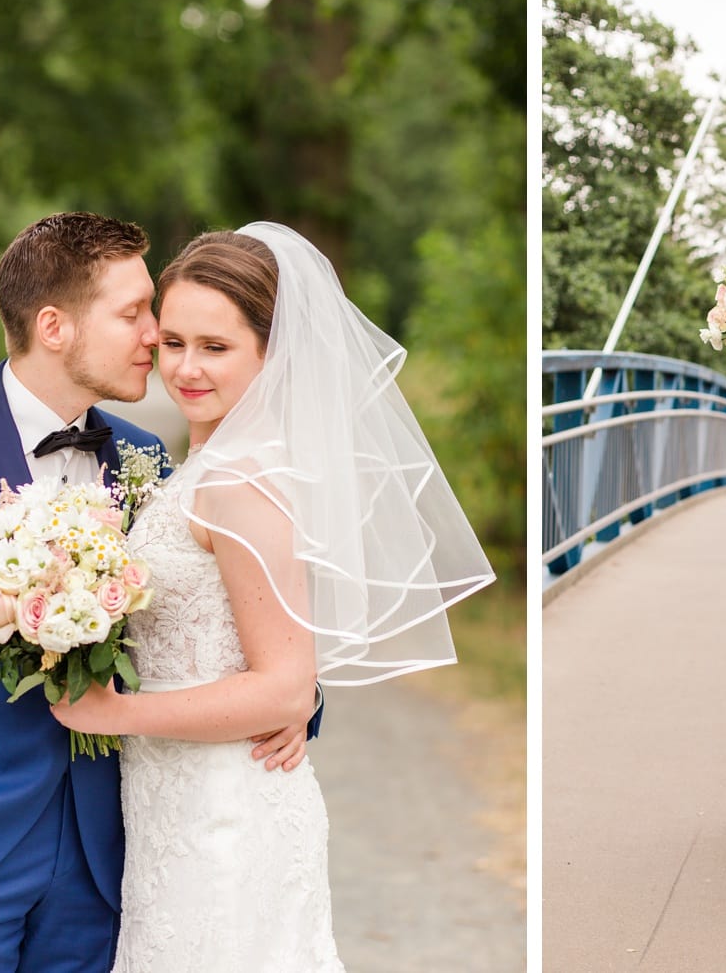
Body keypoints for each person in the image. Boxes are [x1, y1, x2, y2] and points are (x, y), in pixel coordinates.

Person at [0, 212, 314, 973]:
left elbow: (211, 599)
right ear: (54, 326)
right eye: (134, 313)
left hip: (107, 858)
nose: (155, 333)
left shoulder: (143, 461)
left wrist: (296, 701)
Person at [52, 223, 495, 970]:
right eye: (174, 342)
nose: (186, 369)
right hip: (177, 805)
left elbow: (283, 688)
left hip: (223, 815)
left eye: (217, 348)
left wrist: (114, 713)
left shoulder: (240, 481)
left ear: (272, 352)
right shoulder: (211, 464)